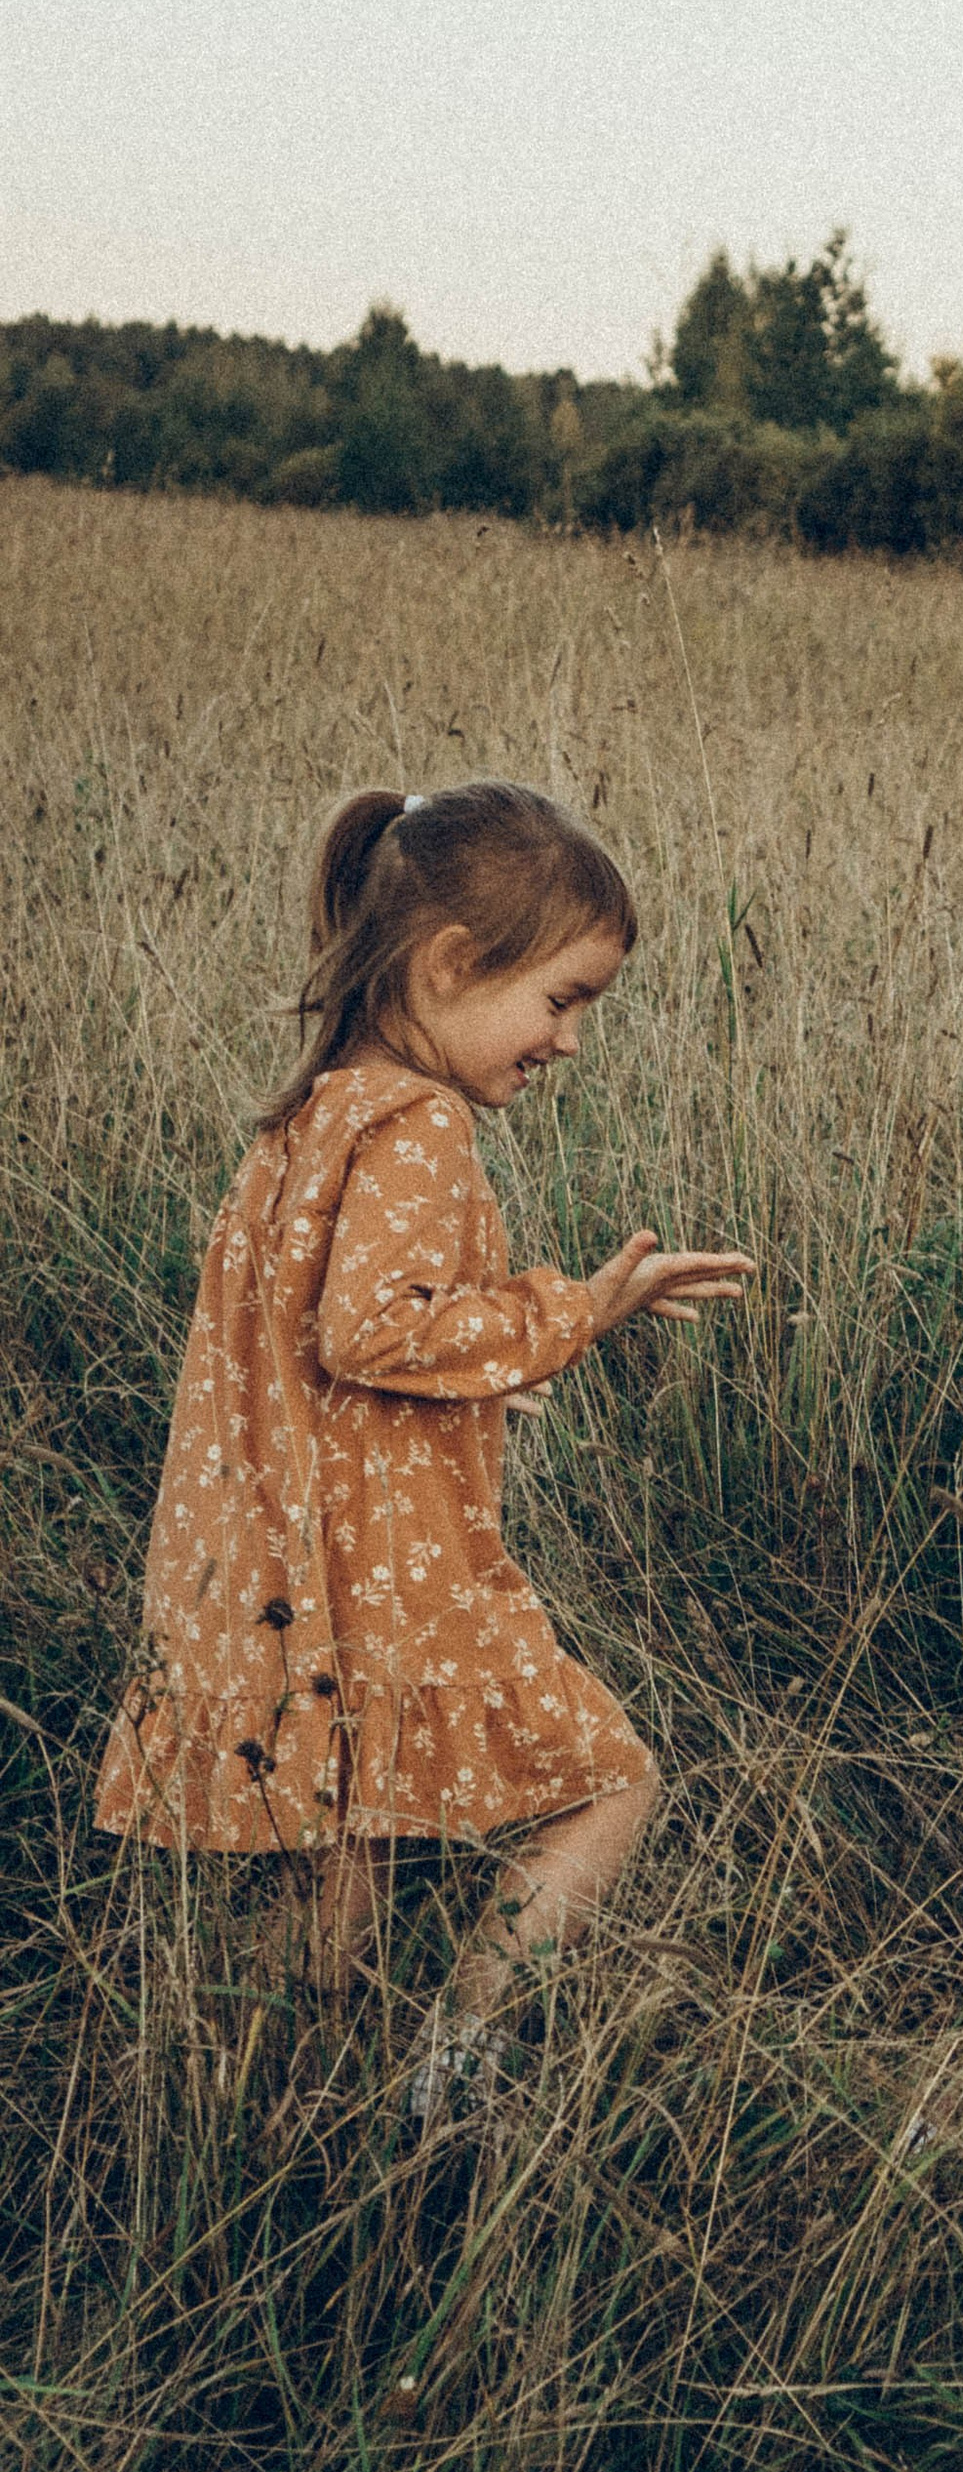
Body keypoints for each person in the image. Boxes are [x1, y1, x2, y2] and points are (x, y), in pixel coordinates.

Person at [96, 780, 753, 2125]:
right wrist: (575, 1313)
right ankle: (455, 2062)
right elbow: (369, 1333)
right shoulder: (420, 1127)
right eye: (564, 1000)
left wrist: (469, 1398)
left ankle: (264, 2142)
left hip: (275, 1583)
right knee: (613, 1783)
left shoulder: (316, 1114)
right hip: (384, 1588)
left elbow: (298, 1349)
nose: (570, 1041)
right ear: (453, 964)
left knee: (328, 1895)